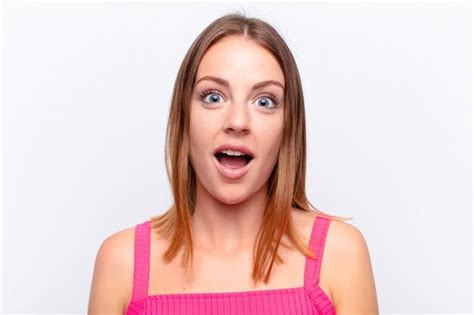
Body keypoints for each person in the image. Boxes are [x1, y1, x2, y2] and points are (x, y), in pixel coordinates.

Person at [88, 12, 379, 315]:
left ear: (287, 127)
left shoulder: (340, 255)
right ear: (184, 116)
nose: (237, 122)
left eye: (264, 101)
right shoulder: (120, 263)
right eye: (213, 97)